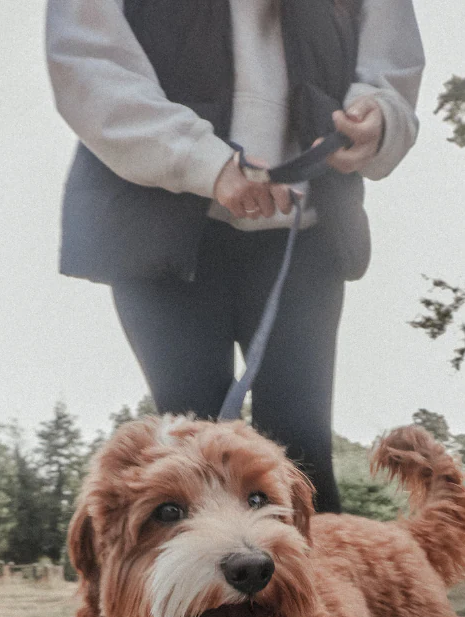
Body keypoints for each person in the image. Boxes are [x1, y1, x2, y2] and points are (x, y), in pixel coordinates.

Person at [46, 0, 424, 513]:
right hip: (163, 229)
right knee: (192, 463)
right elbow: (88, 66)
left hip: (301, 233)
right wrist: (206, 162)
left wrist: (379, 116)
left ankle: (318, 592)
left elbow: (389, 65)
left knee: (303, 461)